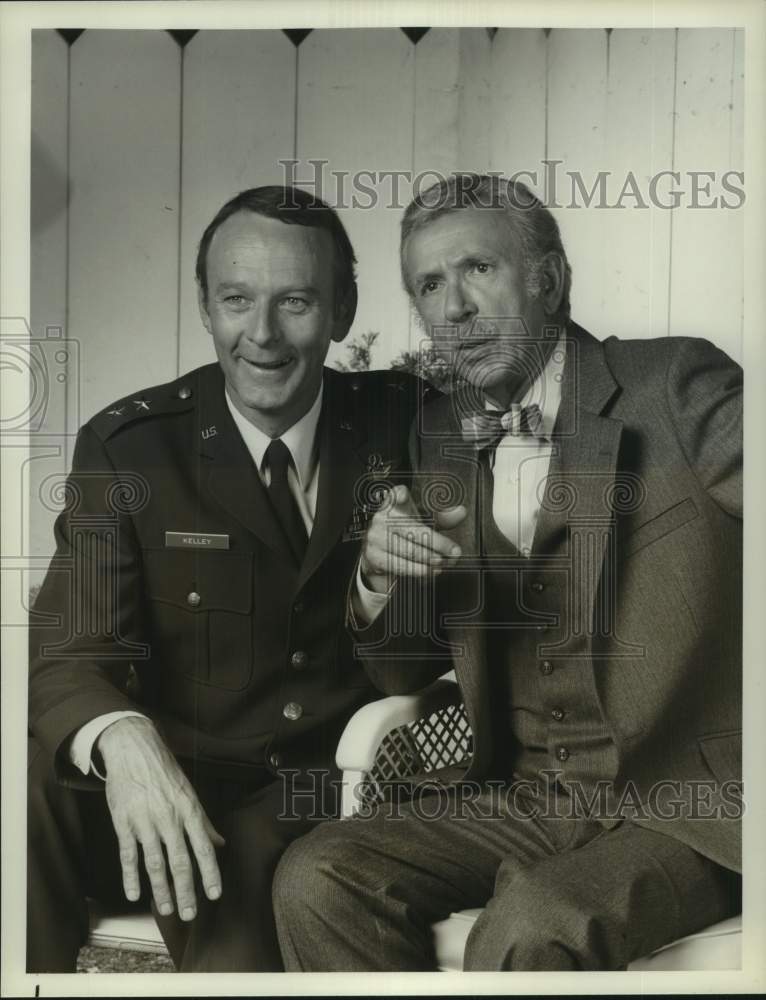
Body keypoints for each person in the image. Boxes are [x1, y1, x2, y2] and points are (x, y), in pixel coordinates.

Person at [273, 173, 743, 971]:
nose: (452, 308)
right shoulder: (441, 438)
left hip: (685, 806)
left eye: (477, 270)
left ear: (549, 280)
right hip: (526, 796)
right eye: (429, 284)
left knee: (532, 924)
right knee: (317, 876)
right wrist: (381, 579)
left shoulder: (676, 384)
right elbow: (403, 667)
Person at [27, 185, 428, 972]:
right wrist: (123, 737)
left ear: (343, 310)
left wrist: (383, 586)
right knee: (21, 804)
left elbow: (429, 663)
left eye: (297, 302)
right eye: (237, 300)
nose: (263, 336)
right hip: (166, 775)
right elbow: (69, 655)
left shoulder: (410, 423)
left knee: (234, 918)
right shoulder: (132, 446)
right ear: (206, 307)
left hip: (316, 790)